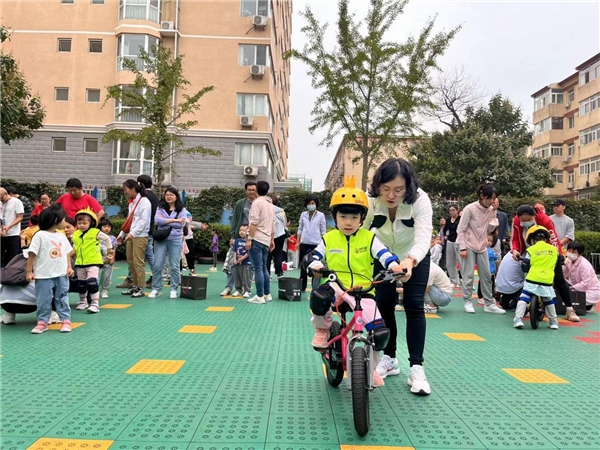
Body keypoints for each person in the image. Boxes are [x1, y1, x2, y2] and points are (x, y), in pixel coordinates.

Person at [308, 176, 403, 387]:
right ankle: (323, 330)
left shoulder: (369, 238)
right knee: (319, 298)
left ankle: (371, 368)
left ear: (362, 218)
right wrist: (314, 264)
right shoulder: (329, 238)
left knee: (379, 333)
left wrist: (393, 265)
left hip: (364, 289)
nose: (348, 222)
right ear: (335, 217)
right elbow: (314, 255)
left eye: (354, 216)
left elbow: (384, 254)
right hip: (335, 285)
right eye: (343, 216)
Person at [363, 158, 433, 395]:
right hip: (382, 256)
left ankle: (416, 367)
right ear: (378, 185)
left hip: (414, 256)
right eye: (385, 189)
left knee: (414, 306)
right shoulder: (370, 199)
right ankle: (390, 358)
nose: (391, 195)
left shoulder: (420, 200)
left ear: (409, 187)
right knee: (383, 304)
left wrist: (410, 261)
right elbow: (361, 233)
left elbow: (424, 237)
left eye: (398, 190)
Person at [511, 204, 580, 322]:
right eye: (523, 220)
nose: (526, 222)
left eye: (529, 220)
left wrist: (558, 256)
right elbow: (515, 238)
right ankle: (525, 306)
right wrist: (515, 250)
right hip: (529, 251)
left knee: (558, 279)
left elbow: (553, 239)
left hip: (548, 253)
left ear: (534, 216)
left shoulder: (545, 220)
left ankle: (569, 310)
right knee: (526, 276)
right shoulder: (516, 220)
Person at [456, 184, 505, 314]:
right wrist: (462, 247)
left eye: (494, 199)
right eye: (490, 198)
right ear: (482, 196)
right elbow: (461, 229)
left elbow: (489, 230)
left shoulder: (490, 210)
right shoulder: (470, 208)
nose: (492, 201)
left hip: (482, 246)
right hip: (468, 245)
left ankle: (489, 303)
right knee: (468, 275)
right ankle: (467, 301)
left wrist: (494, 213)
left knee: (487, 275)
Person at [26, 206, 74, 334]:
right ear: (55, 220)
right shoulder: (40, 235)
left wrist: (69, 267)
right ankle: (42, 322)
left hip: (61, 274)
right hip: (43, 275)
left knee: (62, 297)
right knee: (43, 299)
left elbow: (67, 253)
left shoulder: (62, 236)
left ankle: (65, 320)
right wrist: (29, 271)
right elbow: (32, 254)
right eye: (64, 219)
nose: (66, 222)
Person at [513, 225, 559, 330]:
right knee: (548, 300)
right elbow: (560, 259)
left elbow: (525, 264)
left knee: (524, 298)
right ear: (546, 238)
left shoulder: (531, 249)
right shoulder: (553, 250)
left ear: (532, 239)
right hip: (547, 279)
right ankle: (553, 321)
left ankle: (518, 319)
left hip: (532, 278)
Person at [117, 175, 158, 289]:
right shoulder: (133, 202)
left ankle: (140, 286)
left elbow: (144, 220)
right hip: (132, 234)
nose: (125, 192)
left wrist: (132, 233)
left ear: (133, 189)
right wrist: (122, 234)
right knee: (130, 261)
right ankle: (135, 285)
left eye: (126, 189)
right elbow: (129, 220)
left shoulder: (144, 201)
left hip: (140, 235)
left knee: (138, 262)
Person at [149, 186, 187, 299]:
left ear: (176, 196)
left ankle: (173, 288)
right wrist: (175, 220)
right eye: (167, 195)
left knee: (174, 265)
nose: (169, 197)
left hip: (175, 240)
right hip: (161, 239)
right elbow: (157, 221)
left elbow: (181, 225)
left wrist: (165, 222)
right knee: (157, 265)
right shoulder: (160, 208)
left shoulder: (182, 210)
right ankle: (156, 288)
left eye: (171, 195)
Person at [72, 208, 113, 313]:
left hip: (93, 262)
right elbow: (74, 247)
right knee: (81, 284)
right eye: (79, 223)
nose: (81, 225)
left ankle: (95, 304)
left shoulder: (95, 232)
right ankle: (83, 302)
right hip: (80, 263)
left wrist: (109, 250)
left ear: (91, 223)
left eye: (84, 223)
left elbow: (107, 239)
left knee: (92, 283)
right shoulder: (75, 234)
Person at [222, 182, 258, 296]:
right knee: (233, 262)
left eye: (253, 189)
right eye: (249, 190)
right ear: (245, 191)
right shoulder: (240, 203)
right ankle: (229, 287)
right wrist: (233, 235)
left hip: (255, 237)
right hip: (240, 236)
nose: (251, 192)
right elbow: (234, 220)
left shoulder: (260, 203)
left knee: (250, 264)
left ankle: (248, 289)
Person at [246, 180, 275, 304]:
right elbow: (273, 224)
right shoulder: (270, 204)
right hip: (266, 239)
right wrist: (272, 240)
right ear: (267, 191)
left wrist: (249, 239)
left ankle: (259, 296)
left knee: (257, 268)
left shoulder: (256, 203)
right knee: (263, 267)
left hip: (257, 238)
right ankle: (267, 294)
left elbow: (254, 223)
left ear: (256, 190)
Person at [298, 194, 327, 291]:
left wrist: (324, 244)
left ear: (316, 204)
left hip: (316, 244)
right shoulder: (303, 214)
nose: (311, 205)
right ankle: (302, 286)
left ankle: (315, 287)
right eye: (309, 203)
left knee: (315, 265)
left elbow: (323, 230)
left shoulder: (321, 215)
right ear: (306, 204)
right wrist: (298, 242)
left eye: (313, 203)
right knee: (303, 265)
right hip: (304, 243)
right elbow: (300, 229)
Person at [563, 241, 600, 311]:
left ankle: (589, 306)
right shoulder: (567, 260)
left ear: (580, 254)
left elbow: (585, 284)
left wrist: (571, 288)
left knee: (569, 299)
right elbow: (564, 275)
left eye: (573, 252)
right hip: (576, 287)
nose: (570, 253)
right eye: (569, 251)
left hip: (590, 291)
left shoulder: (584, 265)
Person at [0, 187, 24, 268]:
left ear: (6, 194)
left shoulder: (16, 202)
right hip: (2, 233)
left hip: (13, 233)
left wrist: (9, 227)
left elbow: (20, 217)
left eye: (2, 198)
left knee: (12, 256)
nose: (1, 200)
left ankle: (10, 274)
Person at [266, 194, 287, 279]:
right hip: (280, 235)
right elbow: (285, 223)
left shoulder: (266, 210)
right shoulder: (281, 211)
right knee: (278, 255)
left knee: (268, 255)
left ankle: (267, 273)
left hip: (268, 235)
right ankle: (279, 273)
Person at [477, 234, 500, 305]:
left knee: (492, 283)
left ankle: (491, 296)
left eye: (491, 241)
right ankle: (480, 296)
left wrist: (496, 255)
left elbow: (495, 257)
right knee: (482, 283)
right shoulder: (483, 250)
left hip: (492, 270)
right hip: (484, 270)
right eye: (488, 241)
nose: (489, 243)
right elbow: (488, 256)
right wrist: (493, 255)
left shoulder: (491, 250)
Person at [98, 219, 118, 299]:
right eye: (104, 226)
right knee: (97, 275)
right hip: (99, 259)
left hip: (109, 259)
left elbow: (114, 249)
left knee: (107, 276)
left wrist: (113, 258)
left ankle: (104, 290)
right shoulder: (98, 237)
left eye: (108, 227)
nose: (106, 228)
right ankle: (96, 290)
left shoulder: (112, 238)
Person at [232, 225, 252, 298]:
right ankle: (238, 290)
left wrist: (242, 259)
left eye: (244, 230)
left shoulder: (249, 241)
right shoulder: (237, 240)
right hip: (237, 262)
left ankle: (247, 291)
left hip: (246, 262)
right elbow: (235, 250)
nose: (241, 232)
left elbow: (249, 253)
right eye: (240, 230)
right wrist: (235, 259)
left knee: (246, 277)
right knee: (238, 276)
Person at [444, 205, 461, 287]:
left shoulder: (460, 219)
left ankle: (465, 281)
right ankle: (453, 281)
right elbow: (445, 229)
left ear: (457, 210)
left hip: (459, 242)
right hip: (450, 241)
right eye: (450, 210)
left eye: (453, 210)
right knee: (450, 262)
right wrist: (445, 236)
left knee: (461, 262)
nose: (451, 212)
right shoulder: (448, 220)